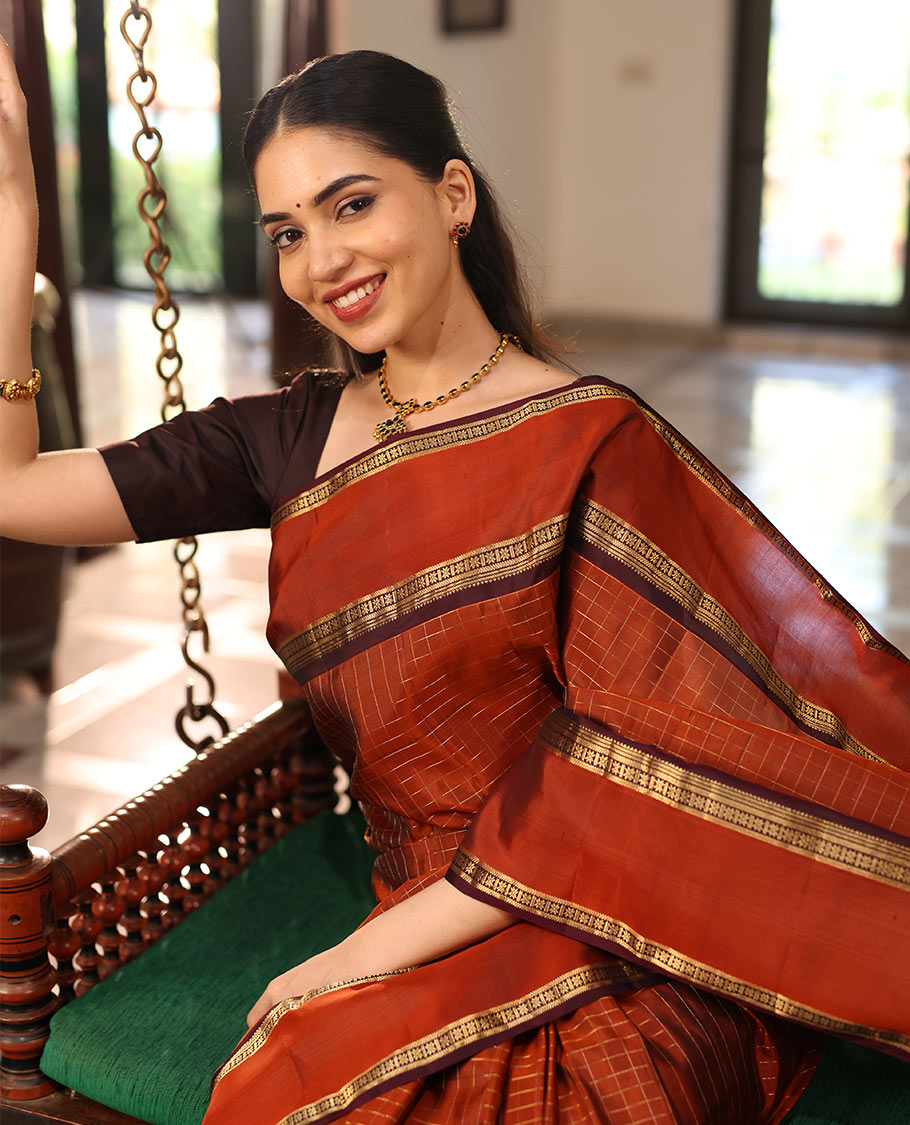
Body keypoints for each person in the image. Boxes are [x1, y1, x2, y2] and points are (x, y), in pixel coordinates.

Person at [2, 42, 908, 1125]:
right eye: (288, 232)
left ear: (452, 196)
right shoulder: (278, 442)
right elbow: (13, 493)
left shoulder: (589, 439)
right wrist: (14, 211)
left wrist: (350, 957)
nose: (320, 259)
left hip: (604, 919)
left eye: (350, 205)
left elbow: (626, 759)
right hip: (422, 910)